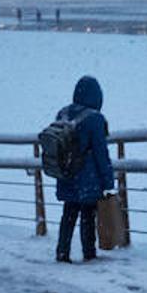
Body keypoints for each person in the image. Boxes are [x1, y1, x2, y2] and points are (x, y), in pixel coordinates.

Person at [53, 75, 115, 263]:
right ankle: (89, 253)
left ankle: (62, 252)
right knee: (88, 215)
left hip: (66, 174)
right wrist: (108, 182)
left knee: (68, 214)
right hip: (87, 179)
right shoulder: (95, 119)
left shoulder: (62, 114)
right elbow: (100, 154)